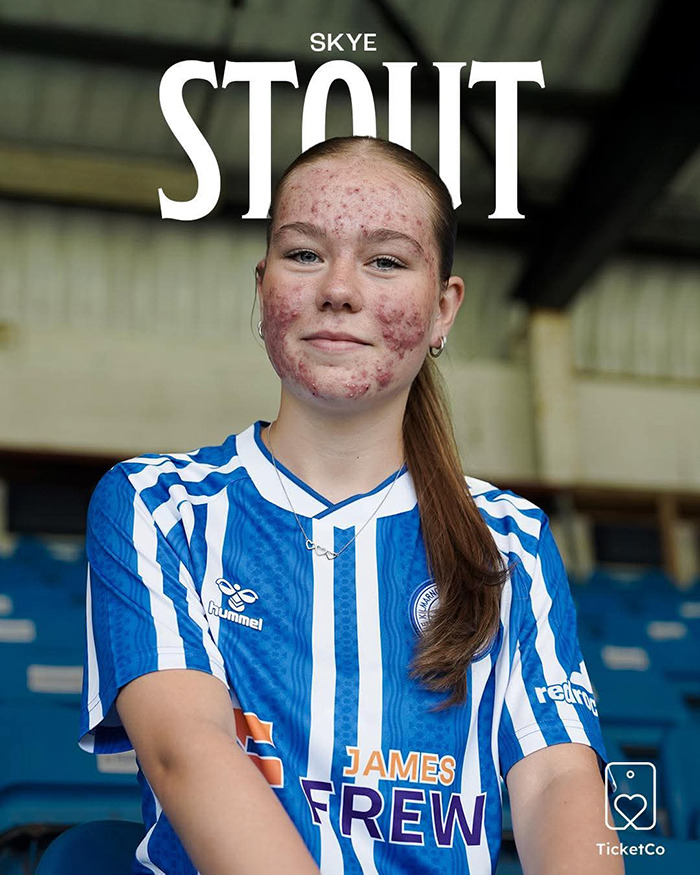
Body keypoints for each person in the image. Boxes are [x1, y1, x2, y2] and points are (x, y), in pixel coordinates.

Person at [78, 136, 623, 874]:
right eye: (304, 254)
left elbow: (560, 779)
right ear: (263, 286)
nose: (338, 289)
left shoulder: (510, 538)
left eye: (386, 261)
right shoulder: (157, 507)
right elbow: (187, 753)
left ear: (443, 310)